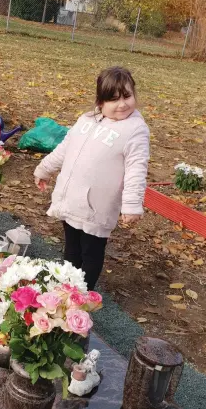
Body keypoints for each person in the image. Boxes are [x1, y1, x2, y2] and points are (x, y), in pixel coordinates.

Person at [34, 66, 150, 291]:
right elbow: (65, 148)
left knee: (91, 252)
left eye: (127, 96)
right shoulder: (86, 120)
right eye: (113, 99)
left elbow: (137, 168)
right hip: (71, 199)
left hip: (96, 206)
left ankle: (82, 295)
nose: (122, 104)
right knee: (71, 249)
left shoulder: (135, 130)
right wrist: (44, 169)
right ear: (100, 102)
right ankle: (65, 288)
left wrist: (132, 205)